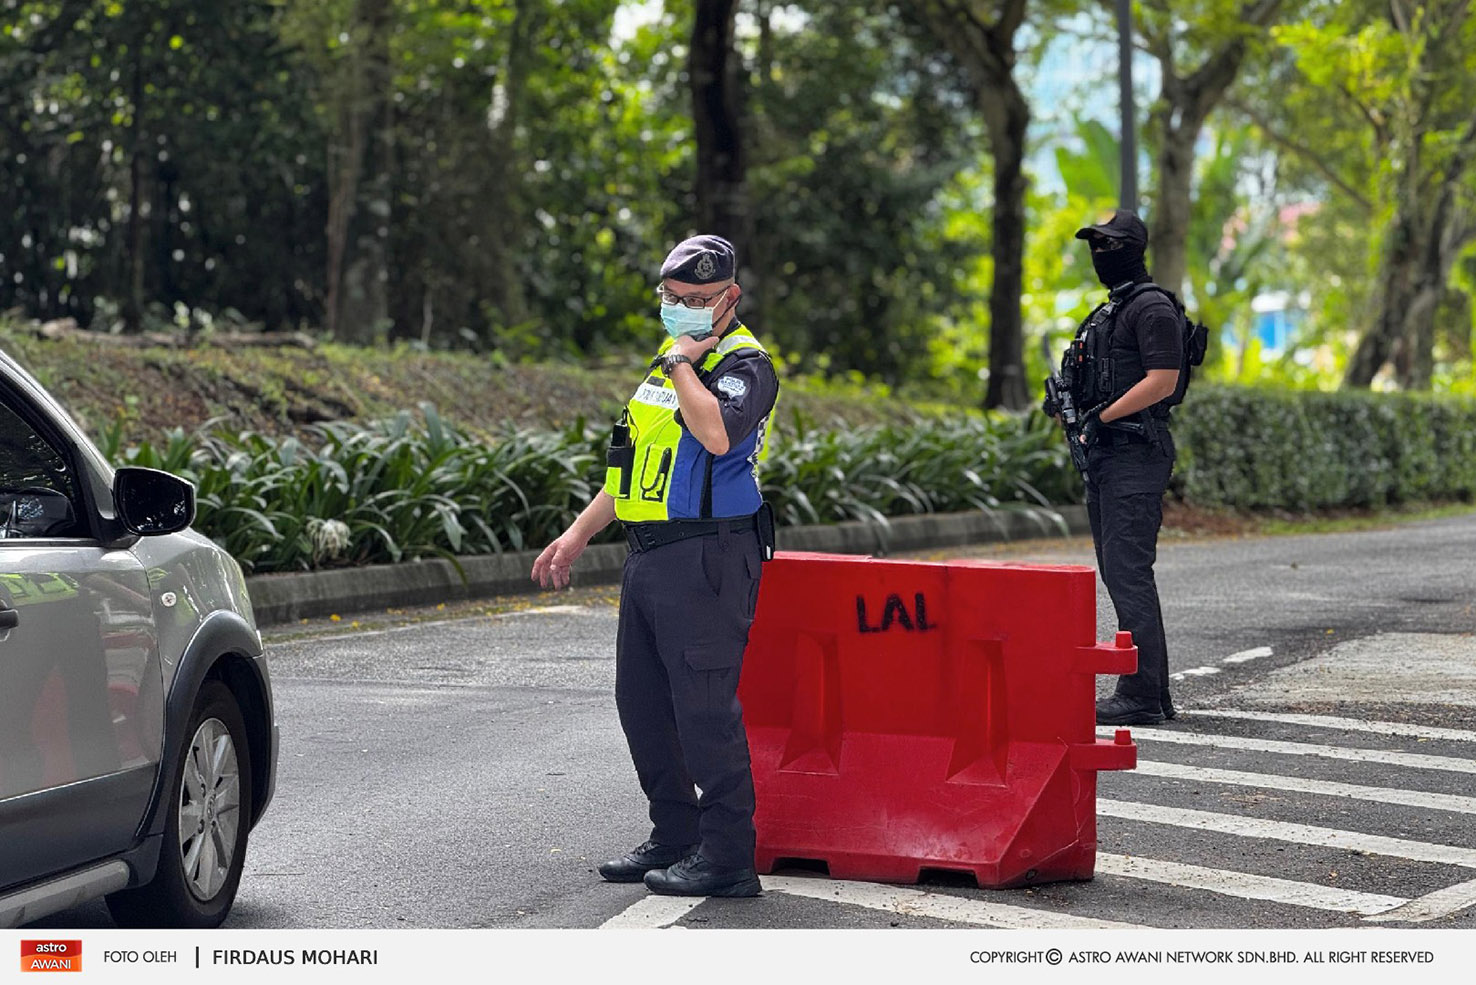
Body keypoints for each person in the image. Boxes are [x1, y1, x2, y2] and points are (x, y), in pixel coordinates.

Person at [531, 234, 779, 897]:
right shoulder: (667, 367)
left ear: (730, 297)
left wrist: (681, 365)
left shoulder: (744, 364)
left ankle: (727, 857)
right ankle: (674, 832)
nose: (682, 308)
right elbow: (632, 468)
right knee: (642, 704)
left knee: (704, 709)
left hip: (709, 554)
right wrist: (576, 536)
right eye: (672, 297)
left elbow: (716, 434)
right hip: (649, 554)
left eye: (697, 298)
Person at [1057, 209, 1183, 727]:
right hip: (1108, 456)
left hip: (1135, 454)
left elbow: (1163, 379)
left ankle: (1143, 694)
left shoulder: (1151, 307)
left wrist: (1103, 415)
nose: (1100, 255)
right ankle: (1149, 690)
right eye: (1095, 245)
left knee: (1129, 574)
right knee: (1118, 573)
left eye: (1110, 245)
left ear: (1135, 248)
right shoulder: (1110, 310)